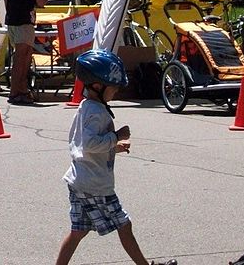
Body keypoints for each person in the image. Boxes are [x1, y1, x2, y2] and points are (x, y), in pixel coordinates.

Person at [55, 50, 178, 265]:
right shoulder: (96, 112)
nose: (116, 91)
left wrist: (114, 147)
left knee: (78, 232)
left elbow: (84, 146)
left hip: (80, 179)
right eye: (113, 87)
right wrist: (115, 136)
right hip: (95, 184)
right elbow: (91, 144)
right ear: (97, 86)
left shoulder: (88, 107)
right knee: (124, 225)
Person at [5, 0, 50, 105]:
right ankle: (16, 92)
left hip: (12, 19)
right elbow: (41, 1)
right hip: (24, 21)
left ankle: (21, 89)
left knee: (21, 56)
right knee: (22, 58)